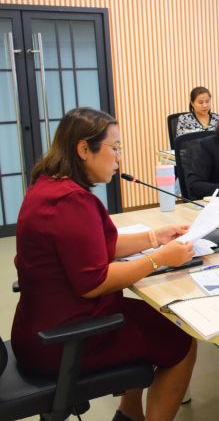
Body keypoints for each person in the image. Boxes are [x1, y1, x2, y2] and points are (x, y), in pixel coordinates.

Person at [12, 107, 197, 421]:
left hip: (40, 328)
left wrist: (155, 237)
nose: (119, 158)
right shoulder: (71, 202)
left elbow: (95, 245)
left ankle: (128, 414)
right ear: (84, 148)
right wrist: (159, 259)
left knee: (151, 318)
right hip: (64, 341)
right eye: (115, 148)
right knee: (180, 340)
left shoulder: (49, 186)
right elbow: (94, 282)